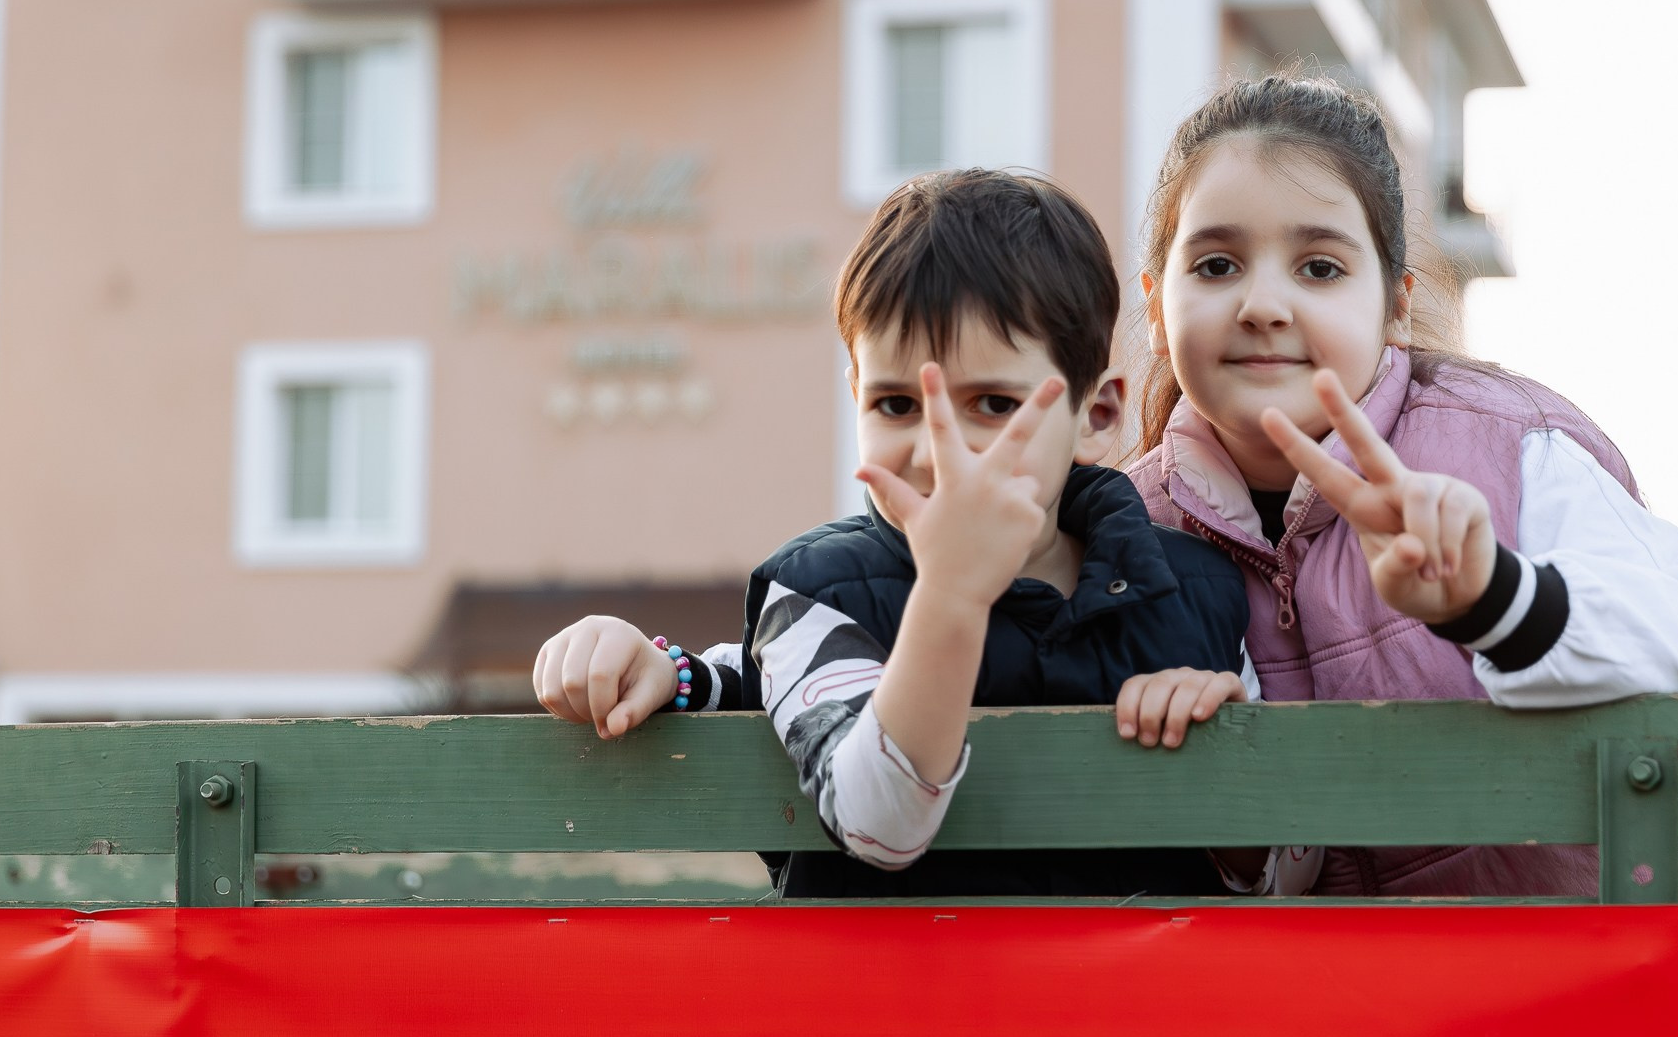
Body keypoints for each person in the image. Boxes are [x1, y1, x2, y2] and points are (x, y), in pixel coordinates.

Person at [1121, 74, 1678, 898]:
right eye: (1219, 263)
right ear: (1158, 306)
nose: (1264, 303)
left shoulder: (1509, 446)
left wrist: (1498, 599)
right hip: (1395, 1001)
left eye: (1319, 267)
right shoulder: (1131, 530)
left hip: (1642, 951)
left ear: (1395, 308)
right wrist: (1220, 763)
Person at [533, 169, 1257, 897]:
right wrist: (951, 594)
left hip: (1133, 1006)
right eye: (896, 404)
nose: (934, 447)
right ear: (855, 398)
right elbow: (880, 822)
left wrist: (1228, 748)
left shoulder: (1200, 593)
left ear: (1096, 416)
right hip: (883, 1004)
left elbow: (1281, 870)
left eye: (992, 404)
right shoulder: (816, 597)